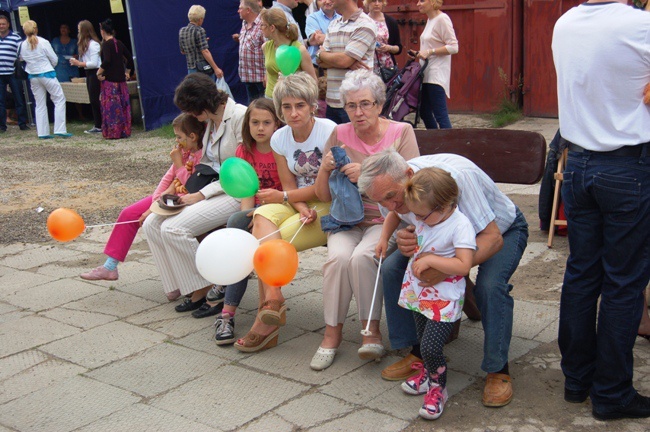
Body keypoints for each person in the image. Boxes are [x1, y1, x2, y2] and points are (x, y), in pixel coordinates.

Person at [358, 149, 528, 408]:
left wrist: (447, 268)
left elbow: (492, 238)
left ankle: (498, 369)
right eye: (383, 201)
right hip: (444, 237)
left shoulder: (457, 179)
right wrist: (401, 239)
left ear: (409, 175)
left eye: (393, 197)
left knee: (490, 287)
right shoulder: (392, 189)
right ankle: (419, 352)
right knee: (392, 268)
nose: (391, 206)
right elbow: (401, 218)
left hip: (499, 231)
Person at [552, 0, 650, 421]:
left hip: (577, 164)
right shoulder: (639, 24)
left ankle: (578, 380)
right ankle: (611, 393)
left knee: (581, 273)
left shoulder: (565, 22)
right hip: (625, 165)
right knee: (623, 283)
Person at [310, 69, 419, 371]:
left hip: (387, 219)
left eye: (365, 104)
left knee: (362, 258)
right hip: (345, 220)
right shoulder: (339, 134)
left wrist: (364, 175)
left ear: (379, 104)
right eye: (351, 105)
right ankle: (332, 333)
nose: (358, 112)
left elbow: (409, 191)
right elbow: (322, 195)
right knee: (338, 258)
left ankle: (371, 332)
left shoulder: (401, 133)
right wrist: (324, 169)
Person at [234, 71, 335, 353]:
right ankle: (274, 297)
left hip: (329, 203)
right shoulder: (280, 138)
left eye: (300, 105)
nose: (293, 113)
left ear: (313, 105)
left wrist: (289, 198)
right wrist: (298, 205)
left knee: (267, 245)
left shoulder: (328, 131)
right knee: (261, 216)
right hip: (297, 202)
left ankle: (265, 323)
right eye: (286, 107)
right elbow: (289, 183)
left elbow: (325, 188)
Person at [143, 73, 246, 311]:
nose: (191, 115)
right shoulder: (210, 121)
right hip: (213, 187)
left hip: (236, 191)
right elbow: (208, 164)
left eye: (191, 109)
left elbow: (243, 171)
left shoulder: (239, 116)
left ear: (203, 104)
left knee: (173, 228)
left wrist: (200, 195)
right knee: (151, 224)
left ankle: (206, 286)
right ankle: (184, 284)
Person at [378, 167, 475, 420]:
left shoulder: (460, 226)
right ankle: (427, 373)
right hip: (419, 292)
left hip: (444, 298)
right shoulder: (426, 214)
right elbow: (402, 223)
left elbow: (463, 264)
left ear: (444, 205)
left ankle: (437, 387)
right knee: (422, 341)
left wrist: (432, 259)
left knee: (432, 347)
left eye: (421, 215)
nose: (417, 219)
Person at [198, 99, 284, 348]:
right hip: (256, 209)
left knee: (236, 228)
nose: (260, 128)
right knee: (238, 232)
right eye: (255, 122)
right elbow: (247, 192)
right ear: (247, 125)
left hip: (280, 208)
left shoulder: (281, 147)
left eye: (266, 122)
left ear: (276, 124)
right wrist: (249, 219)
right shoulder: (244, 151)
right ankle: (227, 315)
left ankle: (226, 303)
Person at [80, 113, 204, 283]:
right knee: (128, 213)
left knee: (153, 223)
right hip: (168, 196)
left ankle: (176, 280)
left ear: (192, 136)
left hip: (184, 200)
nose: (176, 141)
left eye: (179, 137)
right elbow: (168, 179)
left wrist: (178, 165)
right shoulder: (183, 152)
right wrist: (154, 202)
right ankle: (110, 266)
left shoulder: (202, 156)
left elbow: (191, 185)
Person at [316, 0, 376, 124]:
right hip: (332, 101)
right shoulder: (333, 24)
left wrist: (324, 54)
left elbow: (343, 61)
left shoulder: (365, 24)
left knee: (356, 143)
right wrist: (345, 61)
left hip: (356, 104)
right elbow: (319, 61)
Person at [409, 0, 458, 130]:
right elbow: (430, 46)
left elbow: (454, 47)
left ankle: (450, 145)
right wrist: (419, 54)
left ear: (432, 2)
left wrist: (430, 52)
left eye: (422, 1)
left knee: (440, 115)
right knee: (424, 112)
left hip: (436, 75)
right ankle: (437, 141)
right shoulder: (431, 20)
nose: (418, 4)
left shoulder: (442, 19)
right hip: (426, 74)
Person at [19, 20, 71, 139]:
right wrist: (49, 67)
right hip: (47, 73)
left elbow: (22, 59)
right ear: (36, 29)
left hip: (33, 75)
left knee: (40, 104)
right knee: (59, 99)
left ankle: (42, 132)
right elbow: (54, 59)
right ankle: (60, 129)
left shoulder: (22, 44)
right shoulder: (43, 42)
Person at [261, 8, 316, 99]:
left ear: (272, 28)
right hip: (270, 99)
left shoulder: (299, 50)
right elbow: (268, 74)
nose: (260, 28)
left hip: (292, 100)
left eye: (263, 25)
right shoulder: (266, 47)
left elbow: (313, 81)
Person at [97, 19, 133, 139]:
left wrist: (99, 71)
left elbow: (107, 60)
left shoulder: (107, 44)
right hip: (121, 82)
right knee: (122, 107)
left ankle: (113, 132)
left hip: (111, 82)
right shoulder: (119, 43)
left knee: (112, 108)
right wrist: (127, 72)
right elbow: (129, 57)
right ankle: (124, 130)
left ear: (102, 32)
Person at [70, 20, 102, 134]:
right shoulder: (85, 45)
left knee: (95, 100)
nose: (78, 32)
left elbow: (93, 63)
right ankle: (98, 124)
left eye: (79, 30)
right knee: (93, 100)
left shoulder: (94, 44)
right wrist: (77, 62)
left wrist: (78, 63)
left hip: (95, 73)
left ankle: (100, 125)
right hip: (89, 73)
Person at [0, 14, 29, 133]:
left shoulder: (16, 38)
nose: (1, 26)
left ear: (8, 25)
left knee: (18, 98)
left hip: (13, 73)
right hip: (0, 74)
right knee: (0, 101)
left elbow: (22, 54)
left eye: (3, 24)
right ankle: (2, 126)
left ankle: (22, 123)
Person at [179, 5, 224, 79]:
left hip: (191, 69)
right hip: (202, 70)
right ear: (200, 19)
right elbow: (205, 51)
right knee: (207, 90)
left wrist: (199, 43)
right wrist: (216, 68)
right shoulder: (199, 30)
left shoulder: (182, 31)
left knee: (193, 90)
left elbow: (183, 51)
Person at [234, 0, 266, 103]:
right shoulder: (244, 24)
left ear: (248, 10)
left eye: (240, 8)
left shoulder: (262, 25)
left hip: (261, 78)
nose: (238, 11)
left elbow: (269, 50)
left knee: (264, 107)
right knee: (252, 107)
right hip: (247, 77)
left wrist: (267, 74)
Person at [364, 0, 401, 77]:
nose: (377, 4)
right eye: (373, 1)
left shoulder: (391, 21)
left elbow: (399, 48)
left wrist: (388, 48)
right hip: (367, 66)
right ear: (367, 3)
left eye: (380, 1)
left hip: (386, 69)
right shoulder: (362, 21)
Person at [305, 0, 340, 68]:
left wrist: (324, 37)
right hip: (316, 67)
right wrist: (339, 38)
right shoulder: (312, 17)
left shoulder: (341, 18)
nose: (327, 2)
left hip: (336, 65)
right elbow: (317, 39)